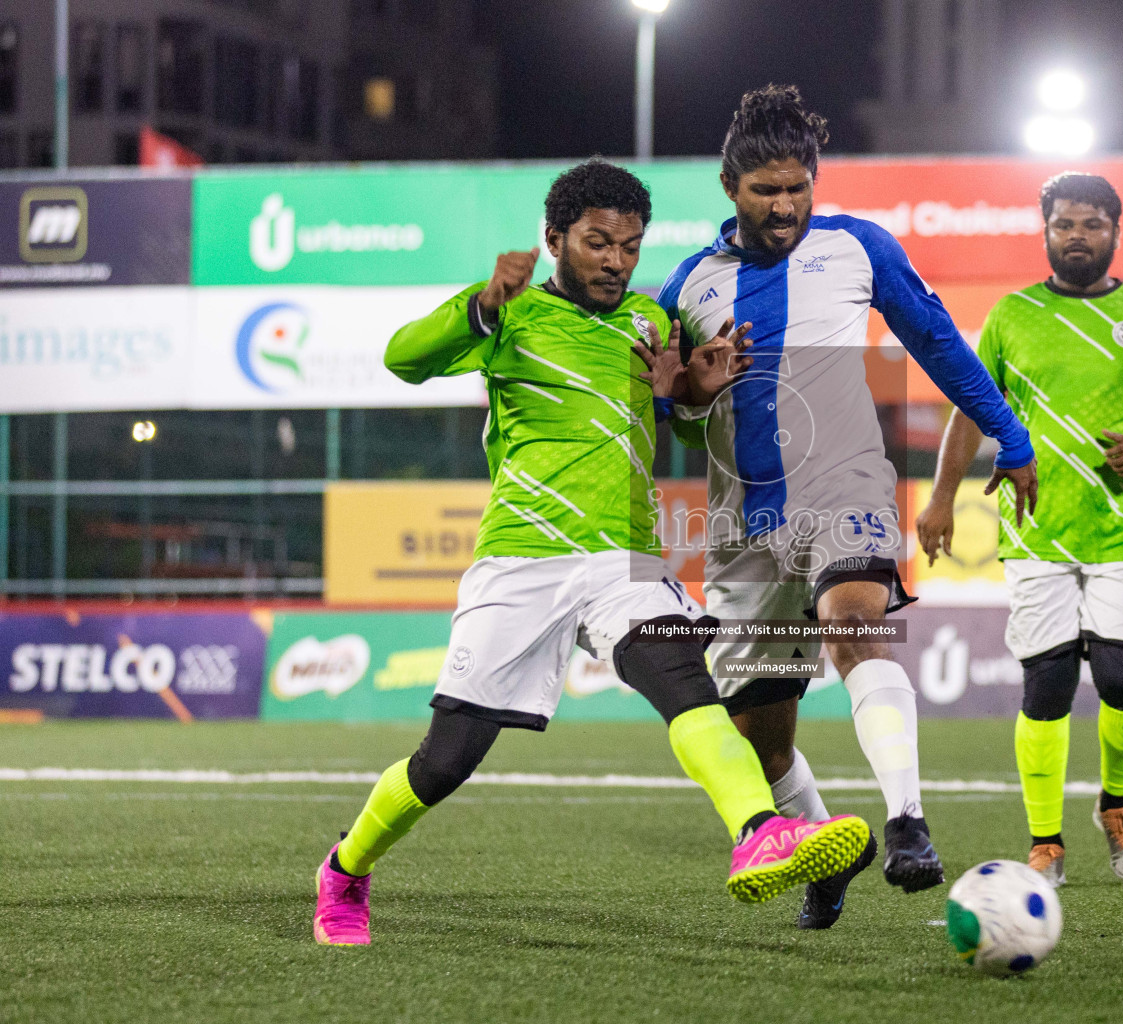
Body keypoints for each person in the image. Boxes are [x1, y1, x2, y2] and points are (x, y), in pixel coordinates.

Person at [311, 159, 871, 947]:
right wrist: (480, 305)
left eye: (630, 246)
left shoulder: (650, 320)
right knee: (446, 760)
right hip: (523, 557)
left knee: (686, 684)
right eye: (598, 243)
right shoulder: (511, 315)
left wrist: (691, 400)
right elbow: (403, 358)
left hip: (628, 560)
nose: (616, 261)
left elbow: (669, 423)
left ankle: (759, 830)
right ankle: (345, 868)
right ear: (554, 241)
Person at [659, 85, 1038, 928]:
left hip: (847, 486)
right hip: (743, 521)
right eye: (767, 190)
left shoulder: (859, 249)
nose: (786, 205)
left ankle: (907, 820)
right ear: (730, 186)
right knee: (763, 739)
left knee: (855, 625)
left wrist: (1011, 439)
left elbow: (939, 343)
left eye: (799, 187)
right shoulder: (687, 285)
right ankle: (826, 850)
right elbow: (675, 417)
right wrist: (688, 394)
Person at [916, 172, 1123, 889]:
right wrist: (942, 497)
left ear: (1116, 231)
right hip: (1038, 526)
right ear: (1045, 231)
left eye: (1092, 224)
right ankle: (1045, 842)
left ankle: (1115, 807)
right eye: (1065, 224)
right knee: (1044, 686)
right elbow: (967, 409)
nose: (1078, 236)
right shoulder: (1013, 316)